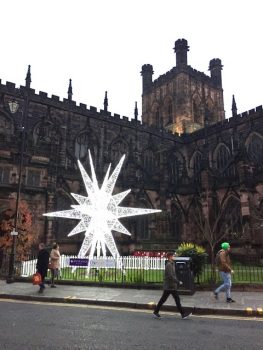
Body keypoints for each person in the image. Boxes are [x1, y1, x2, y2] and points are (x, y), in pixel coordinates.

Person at [153, 252, 192, 319]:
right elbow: (170, 276)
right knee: (168, 300)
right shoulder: (169, 265)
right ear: (169, 257)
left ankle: (156, 312)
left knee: (171, 300)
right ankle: (183, 314)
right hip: (169, 286)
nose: (173, 257)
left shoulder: (172, 264)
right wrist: (178, 282)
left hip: (171, 286)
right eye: (172, 256)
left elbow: (173, 275)